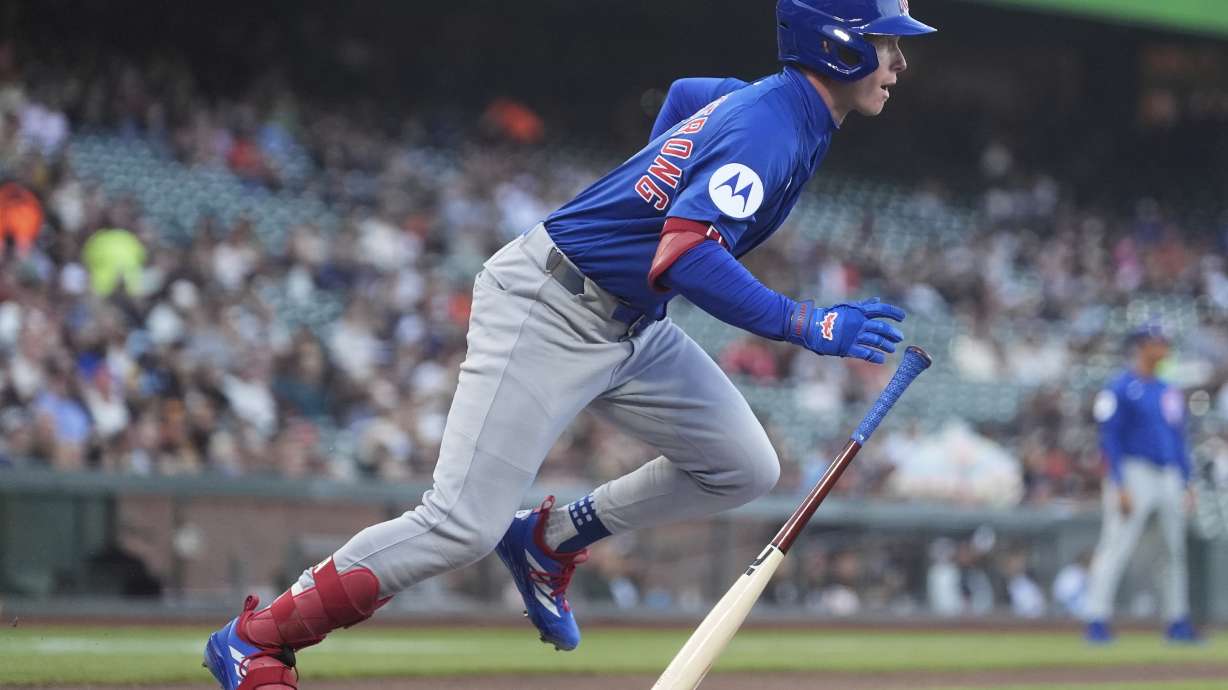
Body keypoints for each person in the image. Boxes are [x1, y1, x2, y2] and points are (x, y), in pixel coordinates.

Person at [203, 2, 936, 688]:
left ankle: (549, 540)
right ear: (837, 44)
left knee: (744, 467)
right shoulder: (771, 126)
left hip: (631, 323)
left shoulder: (782, 110)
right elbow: (685, 255)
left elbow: (685, 95)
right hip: (552, 303)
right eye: (886, 42)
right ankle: (257, 639)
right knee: (459, 526)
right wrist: (807, 324)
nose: (899, 61)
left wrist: (649, 186)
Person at [1084, 325, 1199, 643]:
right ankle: (1096, 619)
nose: (1164, 347)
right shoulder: (1120, 387)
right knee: (1115, 546)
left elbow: (1179, 438)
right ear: (1141, 346)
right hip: (1134, 471)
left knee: (1173, 550)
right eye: (1157, 342)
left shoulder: (1168, 390)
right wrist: (1119, 483)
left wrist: (1187, 480)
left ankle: (1177, 621)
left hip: (1169, 474)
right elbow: (1110, 438)